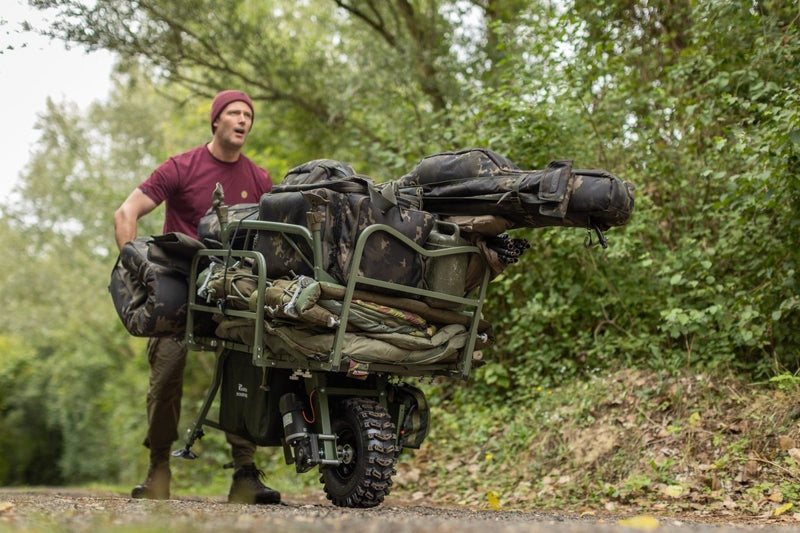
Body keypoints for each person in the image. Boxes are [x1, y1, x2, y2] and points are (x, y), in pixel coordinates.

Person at [113, 90, 278, 504]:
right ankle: (158, 469)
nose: (243, 120)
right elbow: (126, 213)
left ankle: (245, 472)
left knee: (247, 368)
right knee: (167, 370)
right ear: (216, 121)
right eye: (234, 113)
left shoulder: (259, 179)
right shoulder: (181, 167)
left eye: (248, 115)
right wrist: (135, 272)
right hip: (181, 287)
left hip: (234, 292)